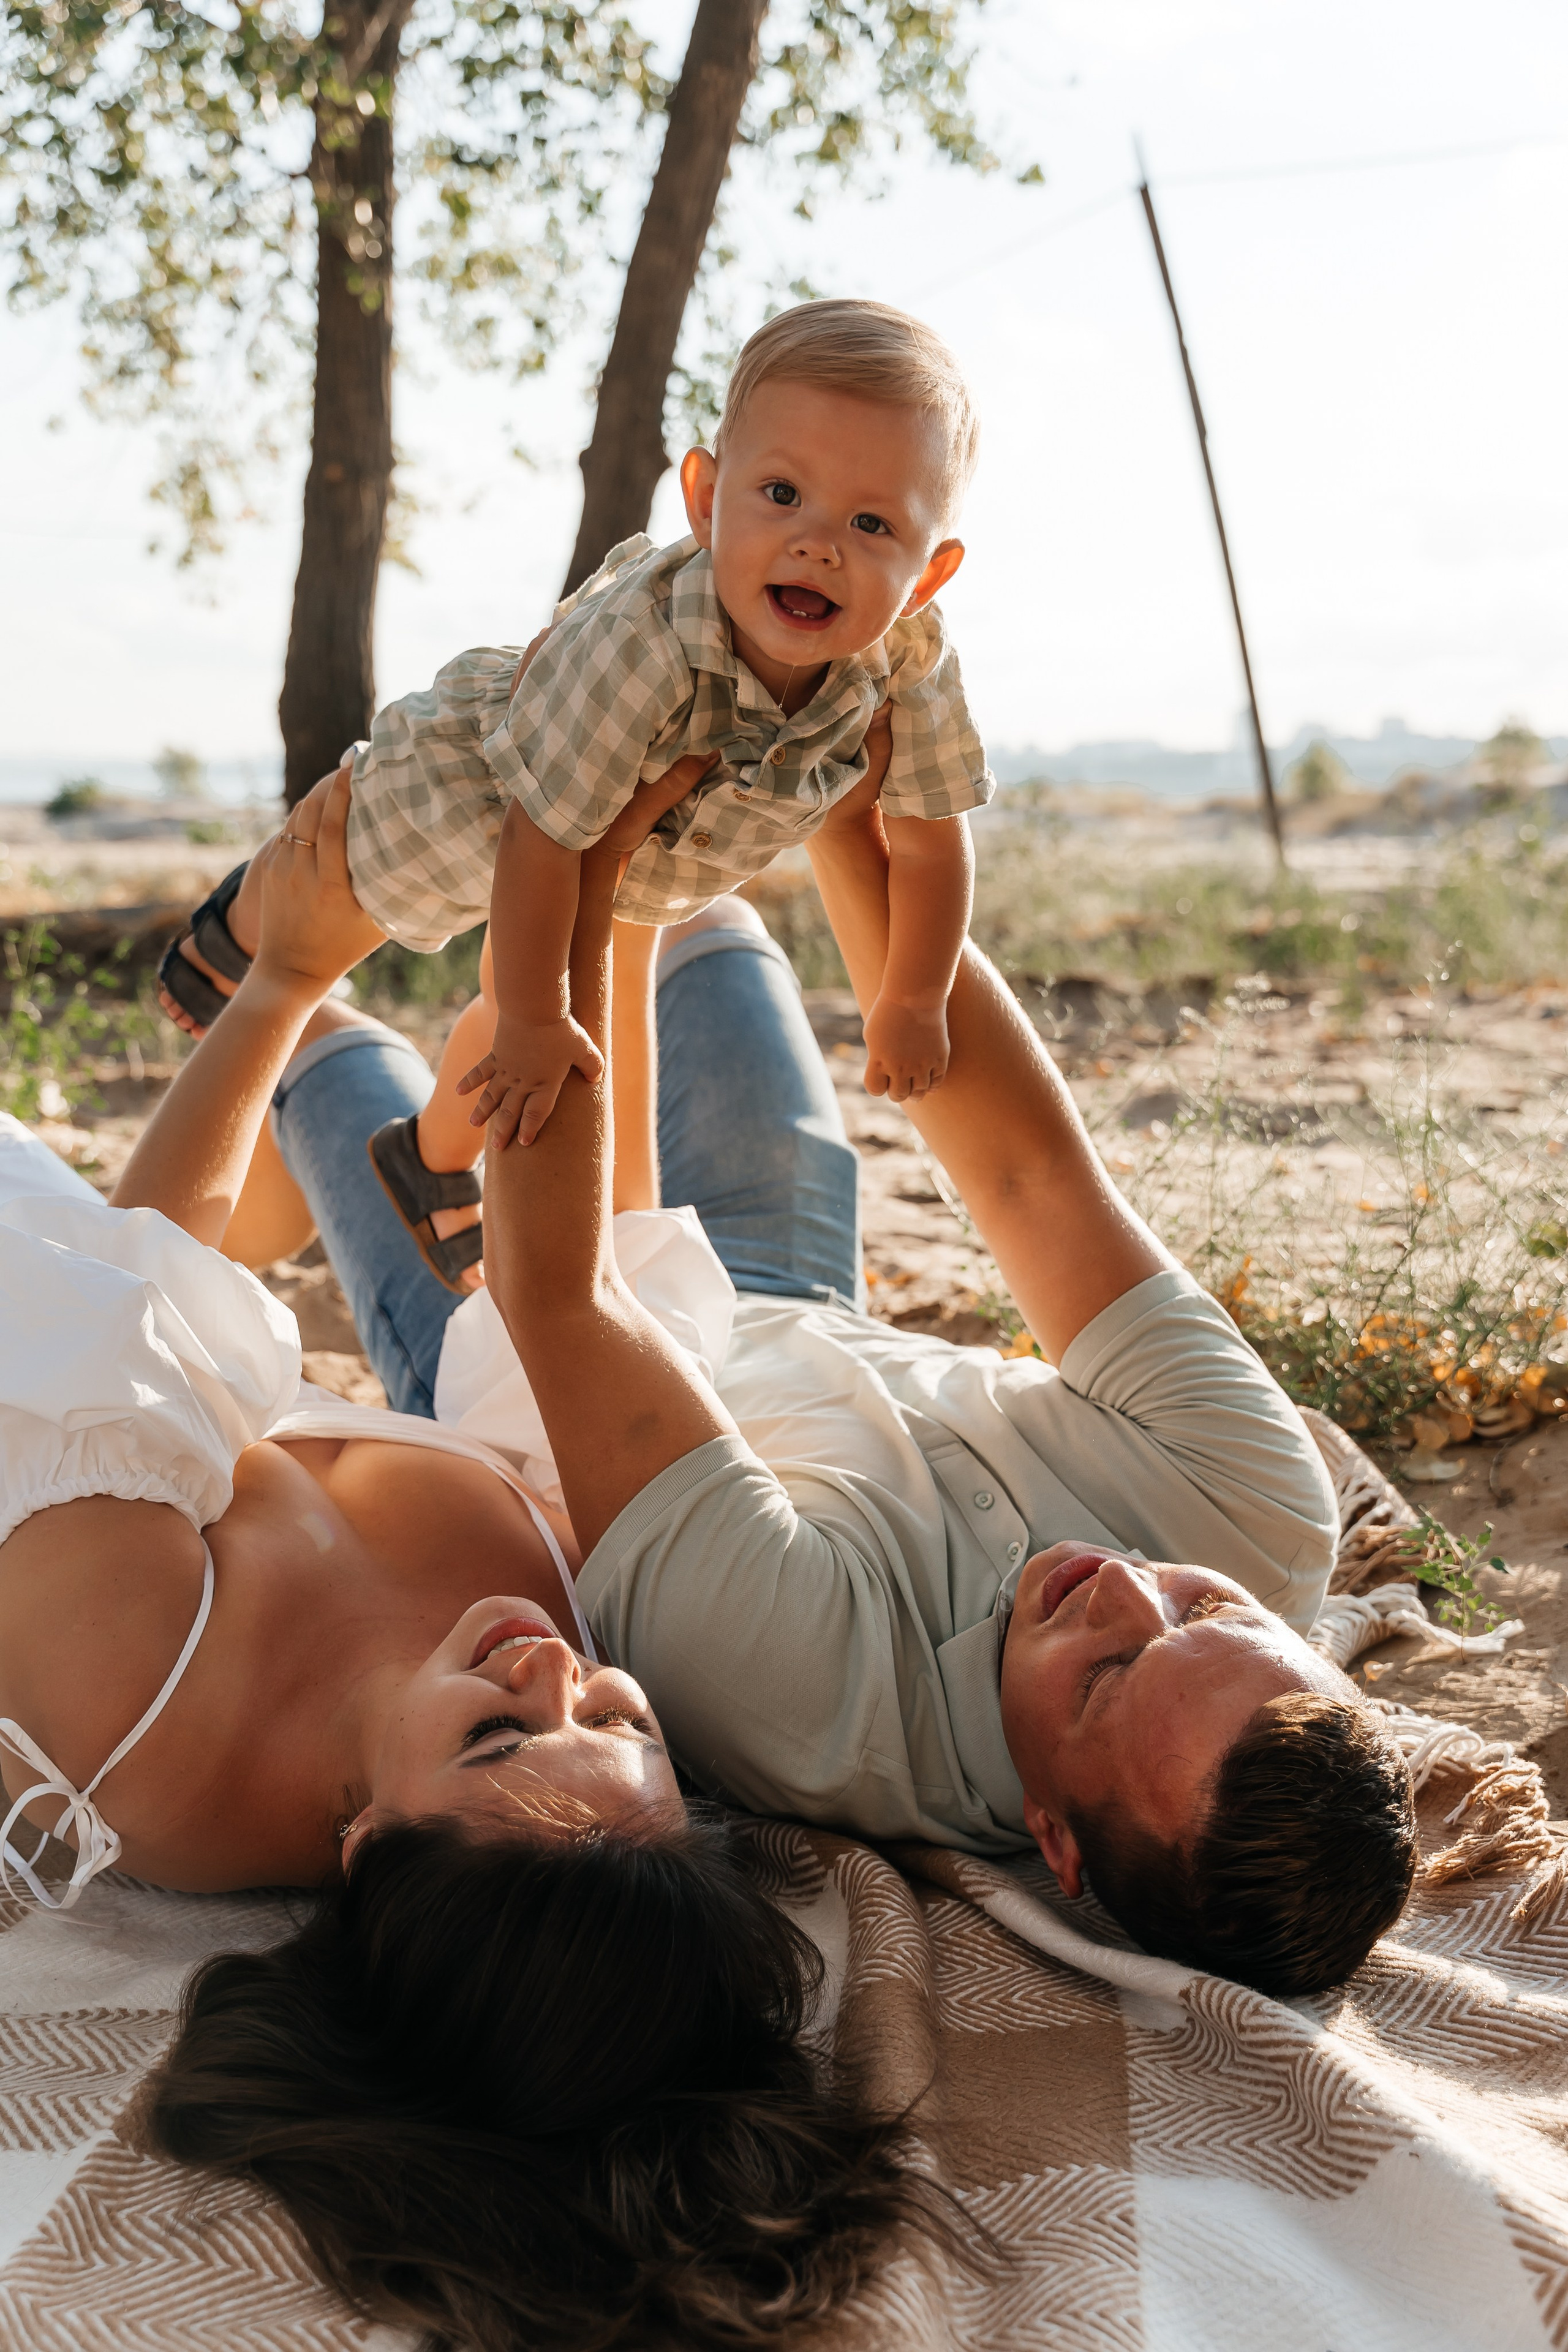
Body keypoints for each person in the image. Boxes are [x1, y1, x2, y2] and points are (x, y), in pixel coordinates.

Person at [0, 765, 960, 2350]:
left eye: (506, 1737)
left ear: (373, 1846)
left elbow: (123, 1290)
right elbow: (581, 1268)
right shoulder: (557, 1611)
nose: (553, 1669)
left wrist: (289, 971)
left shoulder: (143, 1715)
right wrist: (620, 897)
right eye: (623, 1725)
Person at [475, 741, 1419, 2002]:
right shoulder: (1264, 1518)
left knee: (355, 1041)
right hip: (803, 1294)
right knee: (713, 907)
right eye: (1207, 1614)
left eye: (1102, 1679)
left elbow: (565, 1289)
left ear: (1052, 1841)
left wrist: (584, 859)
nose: (1121, 1590)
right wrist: (849, 790)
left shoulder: (808, 1699)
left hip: (540, 1342)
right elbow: (1027, 1174)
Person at [157, 298, 991, 1287]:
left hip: (615, 852)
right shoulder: (649, 647)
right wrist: (531, 1017)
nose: (820, 544)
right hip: (466, 798)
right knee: (353, 885)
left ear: (931, 571)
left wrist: (913, 995)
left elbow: (932, 840)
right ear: (705, 497)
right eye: (780, 493)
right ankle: (229, 940)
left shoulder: (908, 661)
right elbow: (537, 841)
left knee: (542, 1025)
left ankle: (426, 1159)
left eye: (870, 522)